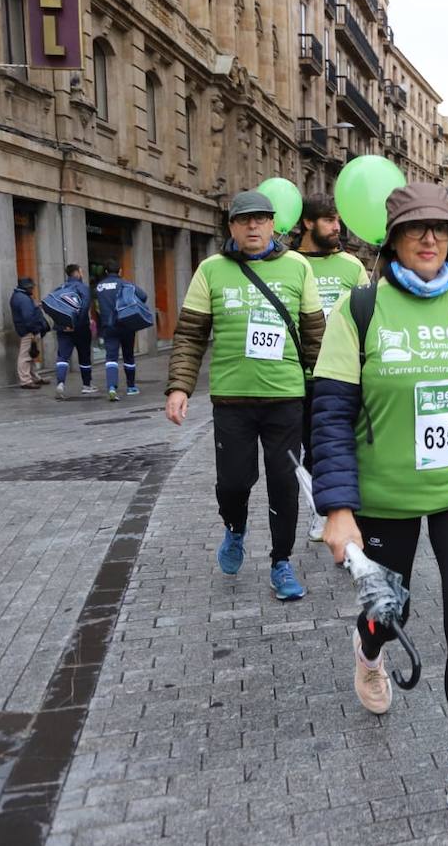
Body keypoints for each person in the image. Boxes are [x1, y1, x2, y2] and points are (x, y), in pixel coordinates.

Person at [312, 183, 448, 838]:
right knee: (390, 608)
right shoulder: (362, 310)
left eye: (440, 229)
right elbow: (331, 412)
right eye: (415, 229)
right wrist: (337, 506)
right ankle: (369, 648)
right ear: (393, 239)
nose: (429, 239)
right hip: (384, 496)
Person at [165, 189, 325, 602]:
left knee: (284, 484)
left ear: (273, 223)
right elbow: (190, 335)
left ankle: (281, 561)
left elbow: (314, 336)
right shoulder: (211, 270)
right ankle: (234, 529)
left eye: (260, 219)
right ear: (231, 226)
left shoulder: (298, 267)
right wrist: (180, 386)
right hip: (232, 400)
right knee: (233, 484)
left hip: (285, 398)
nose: (252, 226)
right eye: (243, 220)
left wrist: (326, 391)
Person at [293, 193, 369, 541]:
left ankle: (352, 510)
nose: (337, 227)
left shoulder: (352, 266)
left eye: (338, 220)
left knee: (349, 443)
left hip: (345, 373)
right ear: (308, 222)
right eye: (329, 220)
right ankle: (320, 512)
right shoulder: (291, 263)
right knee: (313, 446)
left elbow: (370, 316)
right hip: (303, 373)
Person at [93, 260, 147, 401]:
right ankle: (131, 387)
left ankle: (111, 387)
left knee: (111, 357)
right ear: (120, 271)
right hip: (126, 324)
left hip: (108, 326)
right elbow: (143, 296)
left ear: (105, 272)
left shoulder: (99, 287)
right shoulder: (126, 283)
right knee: (128, 355)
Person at [50, 265, 95, 399]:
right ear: (77, 273)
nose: (82, 273)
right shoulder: (83, 288)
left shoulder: (60, 288)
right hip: (80, 327)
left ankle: (60, 383)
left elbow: (52, 307)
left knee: (63, 356)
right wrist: (75, 323)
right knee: (84, 356)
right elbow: (85, 306)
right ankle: (86, 385)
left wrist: (62, 323)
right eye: (81, 271)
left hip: (63, 327)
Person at [10, 277, 49, 389]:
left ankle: (34, 377)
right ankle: (25, 381)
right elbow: (28, 317)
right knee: (25, 356)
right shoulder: (23, 299)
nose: (33, 289)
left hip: (29, 329)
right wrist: (34, 330)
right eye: (31, 287)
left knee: (30, 355)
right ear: (26, 287)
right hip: (29, 331)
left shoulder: (22, 297)